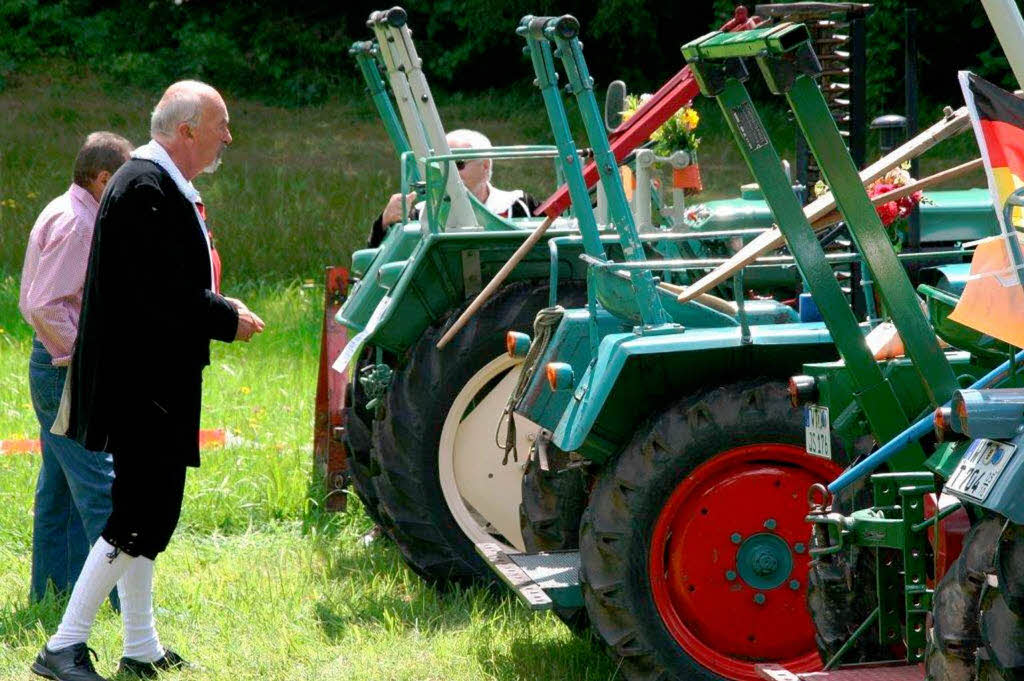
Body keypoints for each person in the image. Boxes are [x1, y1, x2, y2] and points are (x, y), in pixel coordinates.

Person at [31, 80, 265, 681]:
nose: (227, 138)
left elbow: (166, 277)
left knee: (145, 515)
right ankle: (64, 645)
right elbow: (154, 293)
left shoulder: (151, 183)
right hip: (145, 386)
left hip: (154, 380)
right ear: (186, 130)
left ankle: (139, 646)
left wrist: (219, 303)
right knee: (138, 516)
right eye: (221, 126)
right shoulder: (143, 186)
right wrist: (222, 318)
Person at [20, 132, 132, 610]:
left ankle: (53, 592)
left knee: (60, 491)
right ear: (103, 178)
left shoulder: (70, 209)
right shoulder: (79, 225)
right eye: (124, 182)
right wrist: (87, 360)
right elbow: (44, 306)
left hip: (53, 367)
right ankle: (130, 608)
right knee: (103, 492)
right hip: (65, 371)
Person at [367, 128, 540, 248]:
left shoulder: (520, 204)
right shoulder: (421, 214)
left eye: (458, 164)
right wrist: (384, 222)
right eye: (442, 164)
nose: (447, 174)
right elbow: (374, 266)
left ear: (485, 167)